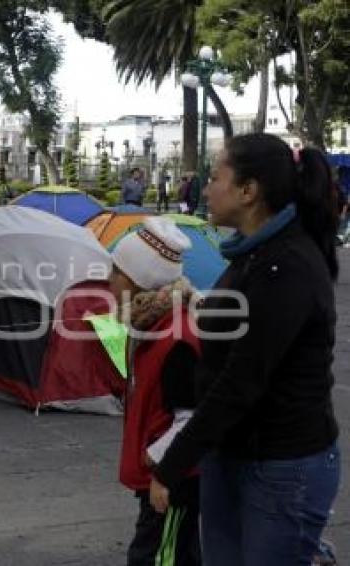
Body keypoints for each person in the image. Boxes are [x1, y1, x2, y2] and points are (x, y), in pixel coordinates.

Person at [148, 134, 341, 565]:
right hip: (232, 454)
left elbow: (244, 378)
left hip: (281, 467)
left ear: (249, 191)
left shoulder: (285, 264)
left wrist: (172, 462)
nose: (205, 188)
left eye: (215, 177)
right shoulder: (250, 255)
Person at [109, 216, 201, 566]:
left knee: (157, 557)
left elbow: (192, 417)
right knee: (176, 553)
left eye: (117, 272)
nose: (108, 280)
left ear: (139, 281)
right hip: (163, 477)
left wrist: (157, 460)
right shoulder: (151, 327)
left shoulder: (174, 338)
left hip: (173, 480)